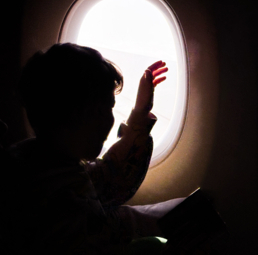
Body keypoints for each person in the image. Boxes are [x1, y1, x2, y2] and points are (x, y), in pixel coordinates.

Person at [1, 43, 184, 254]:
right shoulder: (62, 202)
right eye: (103, 109)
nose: (110, 119)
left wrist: (140, 114)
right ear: (70, 113)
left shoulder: (47, 161)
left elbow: (111, 177)